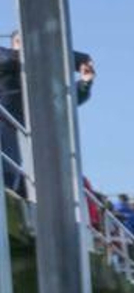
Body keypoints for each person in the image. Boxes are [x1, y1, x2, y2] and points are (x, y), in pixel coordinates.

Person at [0, 30, 93, 196]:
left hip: (13, 130)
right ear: (16, 42)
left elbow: (61, 103)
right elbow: (10, 59)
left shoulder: (37, 79)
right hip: (3, 118)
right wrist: (75, 58)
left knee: (9, 175)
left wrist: (85, 84)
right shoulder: (6, 57)